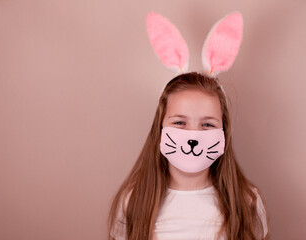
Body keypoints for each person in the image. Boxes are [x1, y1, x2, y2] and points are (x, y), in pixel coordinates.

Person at [109, 12, 268, 240]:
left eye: (207, 124)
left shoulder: (247, 201)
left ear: (223, 132)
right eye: (180, 122)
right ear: (160, 129)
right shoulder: (133, 201)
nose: (193, 134)